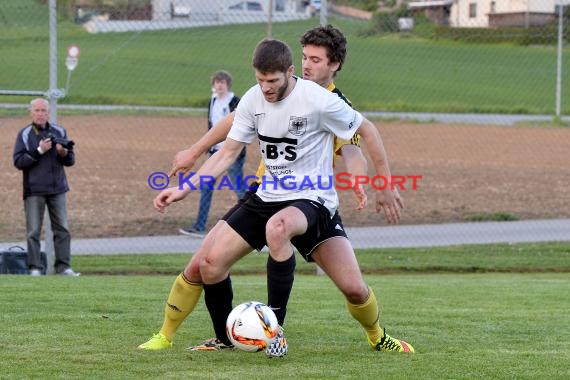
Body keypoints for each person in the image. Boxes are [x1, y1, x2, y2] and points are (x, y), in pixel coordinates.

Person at [151, 38, 414, 355]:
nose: (266, 88)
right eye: (260, 80)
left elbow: (365, 132)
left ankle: (371, 335)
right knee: (208, 263)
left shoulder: (319, 100)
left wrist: (382, 183)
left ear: (289, 73)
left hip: (313, 200)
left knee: (354, 289)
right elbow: (226, 153)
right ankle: (226, 338)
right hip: (266, 196)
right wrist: (184, 188)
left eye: (273, 81)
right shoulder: (252, 99)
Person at [13, 98, 80, 276]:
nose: (40, 114)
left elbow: (70, 160)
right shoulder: (25, 134)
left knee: (62, 229)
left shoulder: (59, 131)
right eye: (37, 110)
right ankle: (35, 268)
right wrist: (39, 151)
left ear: (48, 113)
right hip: (34, 191)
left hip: (57, 189)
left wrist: (63, 152)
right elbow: (18, 162)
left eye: (43, 110)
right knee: (33, 231)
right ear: (31, 113)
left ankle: (64, 267)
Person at [179, 70, 246, 237]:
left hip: (232, 152)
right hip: (215, 152)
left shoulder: (235, 102)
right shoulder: (212, 102)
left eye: (222, 82)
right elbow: (212, 127)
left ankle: (255, 223)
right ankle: (200, 226)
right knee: (206, 187)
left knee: (239, 191)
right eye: (217, 82)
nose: (219, 85)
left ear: (227, 84)